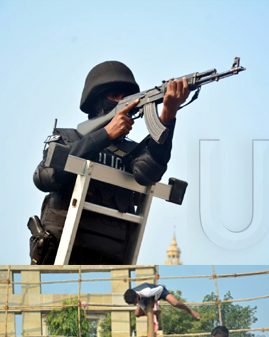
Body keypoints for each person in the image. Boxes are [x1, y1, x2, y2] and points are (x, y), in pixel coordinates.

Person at [30, 63, 190, 263]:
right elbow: (44, 177)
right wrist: (104, 135)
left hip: (112, 255)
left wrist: (167, 117)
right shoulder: (66, 137)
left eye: (126, 97)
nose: (121, 101)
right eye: (114, 95)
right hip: (62, 248)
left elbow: (148, 172)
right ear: (96, 101)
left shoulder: (130, 152)